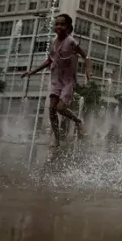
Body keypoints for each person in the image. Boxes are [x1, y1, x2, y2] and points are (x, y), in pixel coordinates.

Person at [22, 13, 91, 148]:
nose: (58, 26)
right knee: (51, 110)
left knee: (60, 108)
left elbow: (85, 55)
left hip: (68, 81)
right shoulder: (53, 42)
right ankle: (57, 139)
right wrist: (32, 72)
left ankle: (78, 121)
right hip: (56, 80)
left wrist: (88, 70)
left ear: (68, 27)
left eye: (62, 24)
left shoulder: (70, 41)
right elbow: (49, 60)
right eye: (57, 24)